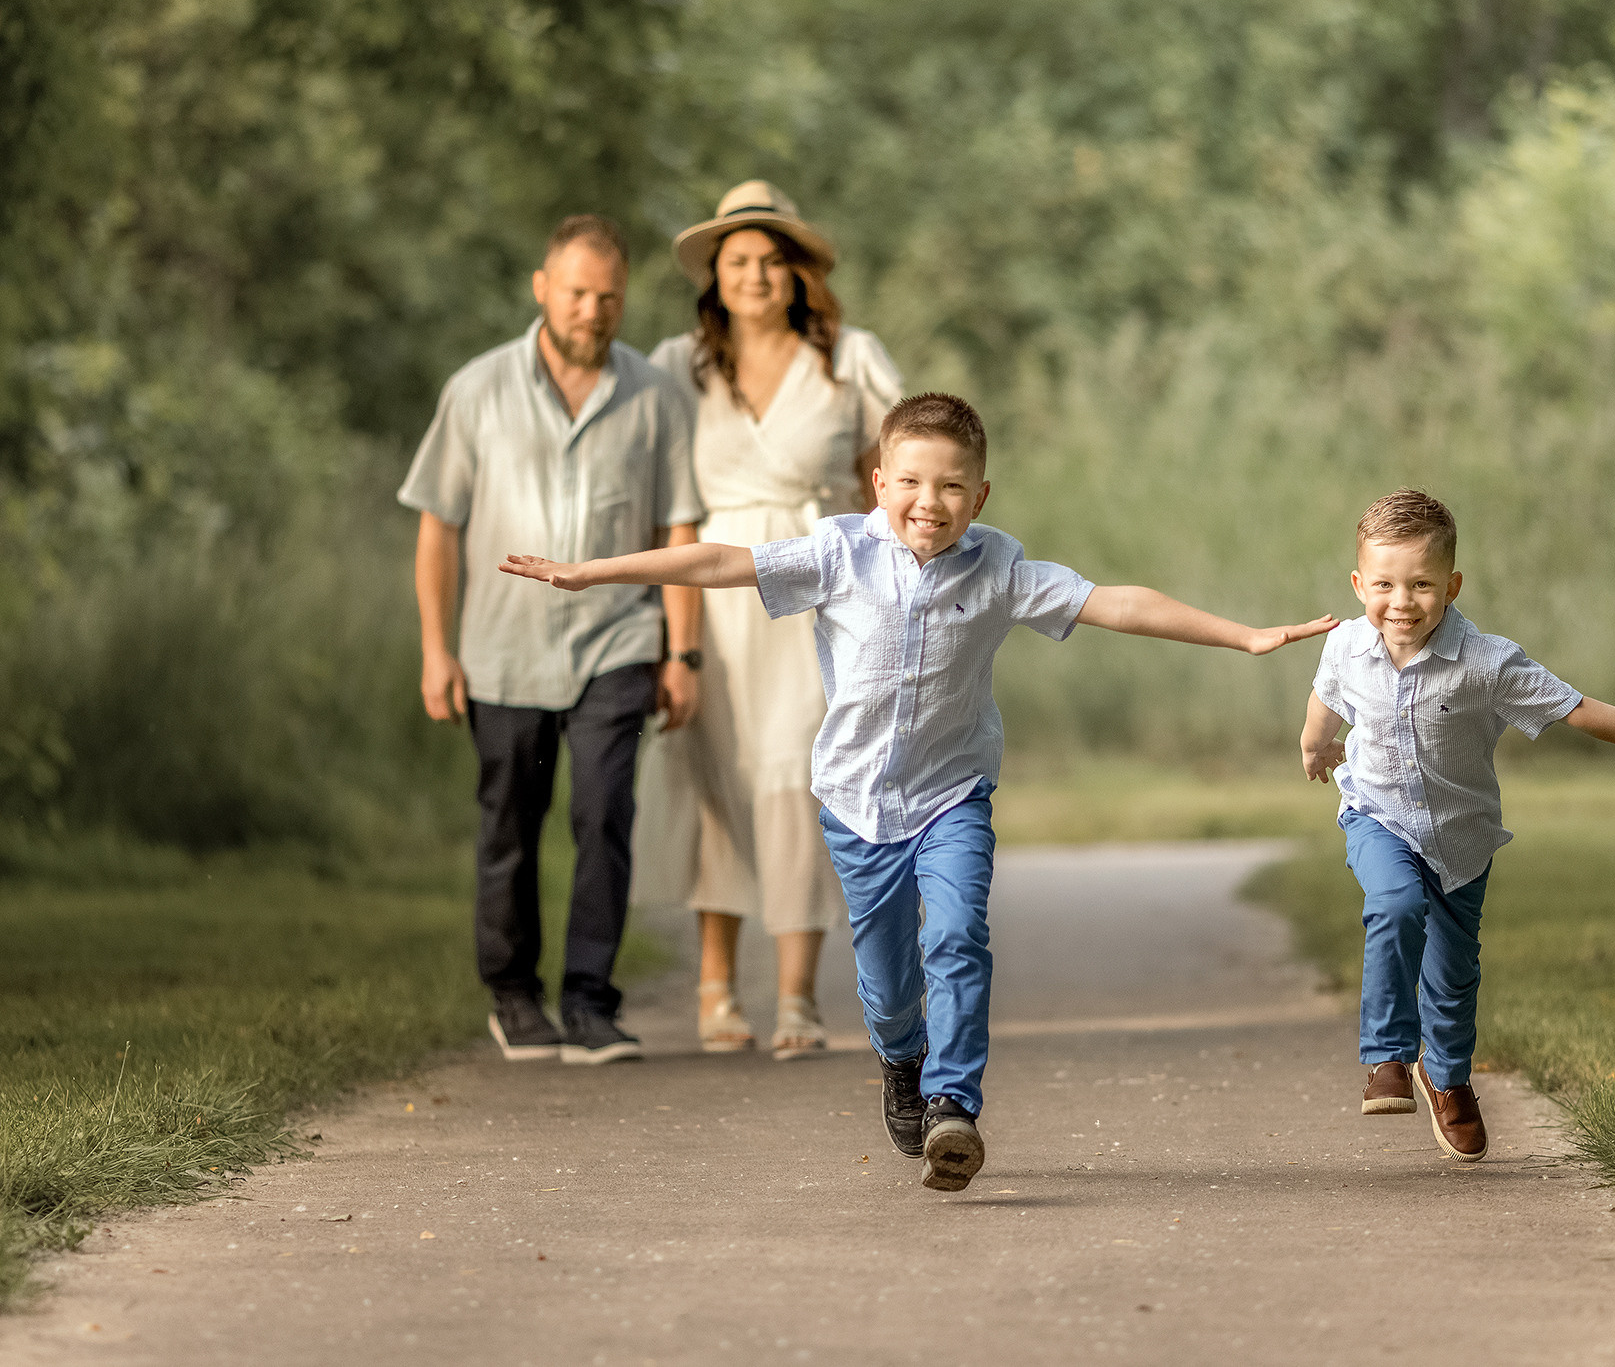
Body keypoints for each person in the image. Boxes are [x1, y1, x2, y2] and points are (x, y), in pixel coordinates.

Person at [497, 392, 1336, 1189]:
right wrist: (595, 572)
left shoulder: (1000, 567)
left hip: (952, 796)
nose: (929, 502)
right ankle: (902, 1056)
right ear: (879, 483)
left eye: (951, 486)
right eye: (910, 481)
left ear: (980, 494)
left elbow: (1112, 601)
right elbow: (722, 559)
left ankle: (952, 1105)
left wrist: (1243, 636)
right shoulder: (838, 553)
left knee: (959, 935)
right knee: (890, 984)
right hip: (857, 806)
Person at [1298, 488, 1615, 1161]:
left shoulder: (1488, 662)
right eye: (1384, 584)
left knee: (1453, 976)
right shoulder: (1346, 646)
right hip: (1375, 814)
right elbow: (1325, 698)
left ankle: (1447, 1077)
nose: (1402, 602)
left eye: (1421, 584)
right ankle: (1387, 1056)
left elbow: (1575, 707)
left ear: (1452, 585)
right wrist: (1314, 745)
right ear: (1359, 585)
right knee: (1395, 902)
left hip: (1461, 838)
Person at [399, 214, 705, 1067]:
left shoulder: (655, 397)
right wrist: (436, 648)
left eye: (609, 296)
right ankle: (513, 994)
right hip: (504, 647)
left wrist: (683, 654)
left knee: (604, 812)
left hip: (618, 640)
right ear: (542, 288)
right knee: (511, 822)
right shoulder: (476, 390)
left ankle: (590, 1002)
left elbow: (679, 529)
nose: (592, 310)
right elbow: (438, 527)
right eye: (576, 292)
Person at [642, 180, 903, 1060]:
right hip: (712, 592)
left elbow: (887, 484)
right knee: (714, 774)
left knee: (799, 772)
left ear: (797, 273)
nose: (754, 275)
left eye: (770, 260)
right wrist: (673, 640)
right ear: (714, 276)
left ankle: (796, 991)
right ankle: (716, 986)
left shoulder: (848, 359)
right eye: (738, 260)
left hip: (815, 588)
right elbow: (665, 505)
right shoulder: (679, 366)